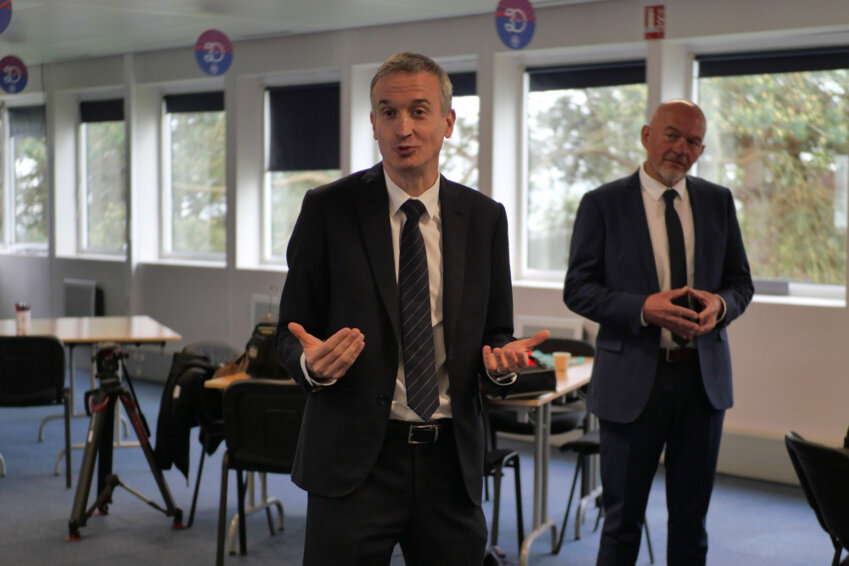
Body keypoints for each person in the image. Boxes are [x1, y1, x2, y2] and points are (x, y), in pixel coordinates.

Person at [275, 52, 547, 566]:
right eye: (388, 112)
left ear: (447, 123)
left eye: (419, 111)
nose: (404, 127)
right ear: (373, 123)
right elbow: (288, 335)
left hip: (451, 463)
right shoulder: (327, 209)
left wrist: (503, 368)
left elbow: (497, 335)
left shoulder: (485, 218)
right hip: (354, 464)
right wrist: (310, 364)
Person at [564, 99, 754, 566]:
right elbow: (578, 290)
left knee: (691, 523)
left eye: (692, 142)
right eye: (672, 135)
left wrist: (722, 305)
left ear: (701, 149)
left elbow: (740, 282)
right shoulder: (602, 203)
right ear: (647, 135)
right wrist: (643, 309)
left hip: (702, 383)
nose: (680, 148)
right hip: (632, 384)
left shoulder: (717, 201)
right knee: (623, 522)